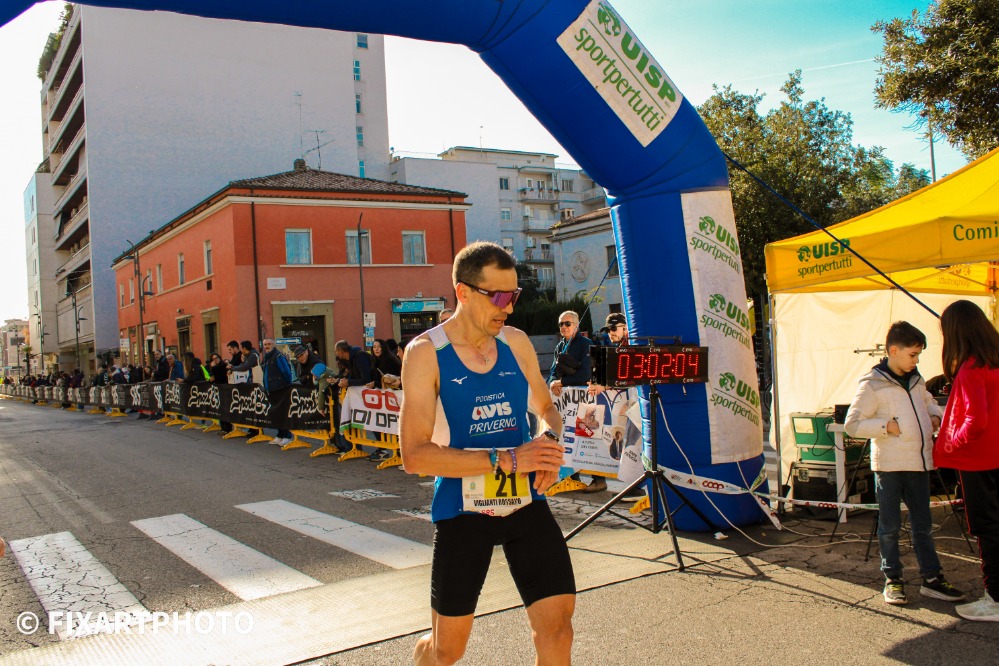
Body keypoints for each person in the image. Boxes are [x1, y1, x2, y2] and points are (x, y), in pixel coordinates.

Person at [400, 241, 574, 666]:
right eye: (497, 297)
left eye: (514, 296)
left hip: (525, 503)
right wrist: (507, 459)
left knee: (558, 630)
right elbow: (414, 455)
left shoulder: (515, 342)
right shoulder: (426, 353)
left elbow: (547, 409)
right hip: (462, 511)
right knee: (447, 650)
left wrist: (550, 446)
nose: (508, 307)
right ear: (463, 292)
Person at [845, 321, 965, 606]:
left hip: (919, 464)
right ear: (893, 351)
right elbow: (852, 424)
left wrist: (935, 416)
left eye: (918, 355)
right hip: (889, 467)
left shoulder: (917, 380)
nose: (916, 361)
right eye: (913, 354)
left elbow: (930, 403)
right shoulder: (872, 384)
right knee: (889, 527)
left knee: (923, 526)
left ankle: (932, 579)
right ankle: (893, 578)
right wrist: (885, 427)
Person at [934, 300, 999, 621]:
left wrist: (951, 442)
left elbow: (976, 420)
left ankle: (995, 599)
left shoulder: (972, 367)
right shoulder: (993, 361)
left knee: (988, 529)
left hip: (980, 461)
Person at [261, 338, 295, 446]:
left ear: (274, 345)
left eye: (269, 344)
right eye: (265, 344)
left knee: (283, 413)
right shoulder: (267, 357)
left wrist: (285, 386)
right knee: (277, 414)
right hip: (271, 389)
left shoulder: (278, 356)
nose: (267, 346)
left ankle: (287, 436)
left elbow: (286, 372)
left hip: (280, 389)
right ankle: (280, 435)